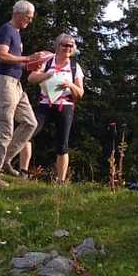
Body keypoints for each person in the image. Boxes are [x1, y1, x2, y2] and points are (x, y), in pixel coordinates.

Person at [0, 0, 49, 181]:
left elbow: (14, 60)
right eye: (28, 17)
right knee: (5, 128)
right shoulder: (7, 30)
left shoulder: (17, 33)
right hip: (4, 82)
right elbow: (2, 56)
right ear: (18, 14)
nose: (30, 21)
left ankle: (5, 160)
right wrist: (28, 58)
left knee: (30, 122)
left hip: (16, 84)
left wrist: (31, 64)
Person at [28, 33, 85, 183]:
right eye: (65, 45)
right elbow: (31, 78)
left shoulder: (75, 67)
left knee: (62, 144)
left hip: (65, 106)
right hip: (45, 103)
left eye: (71, 46)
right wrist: (47, 75)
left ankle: (61, 181)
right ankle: (23, 171)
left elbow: (80, 93)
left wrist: (70, 85)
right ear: (57, 46)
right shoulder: (47, 61)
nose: (68, 48)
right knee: (28, 132)